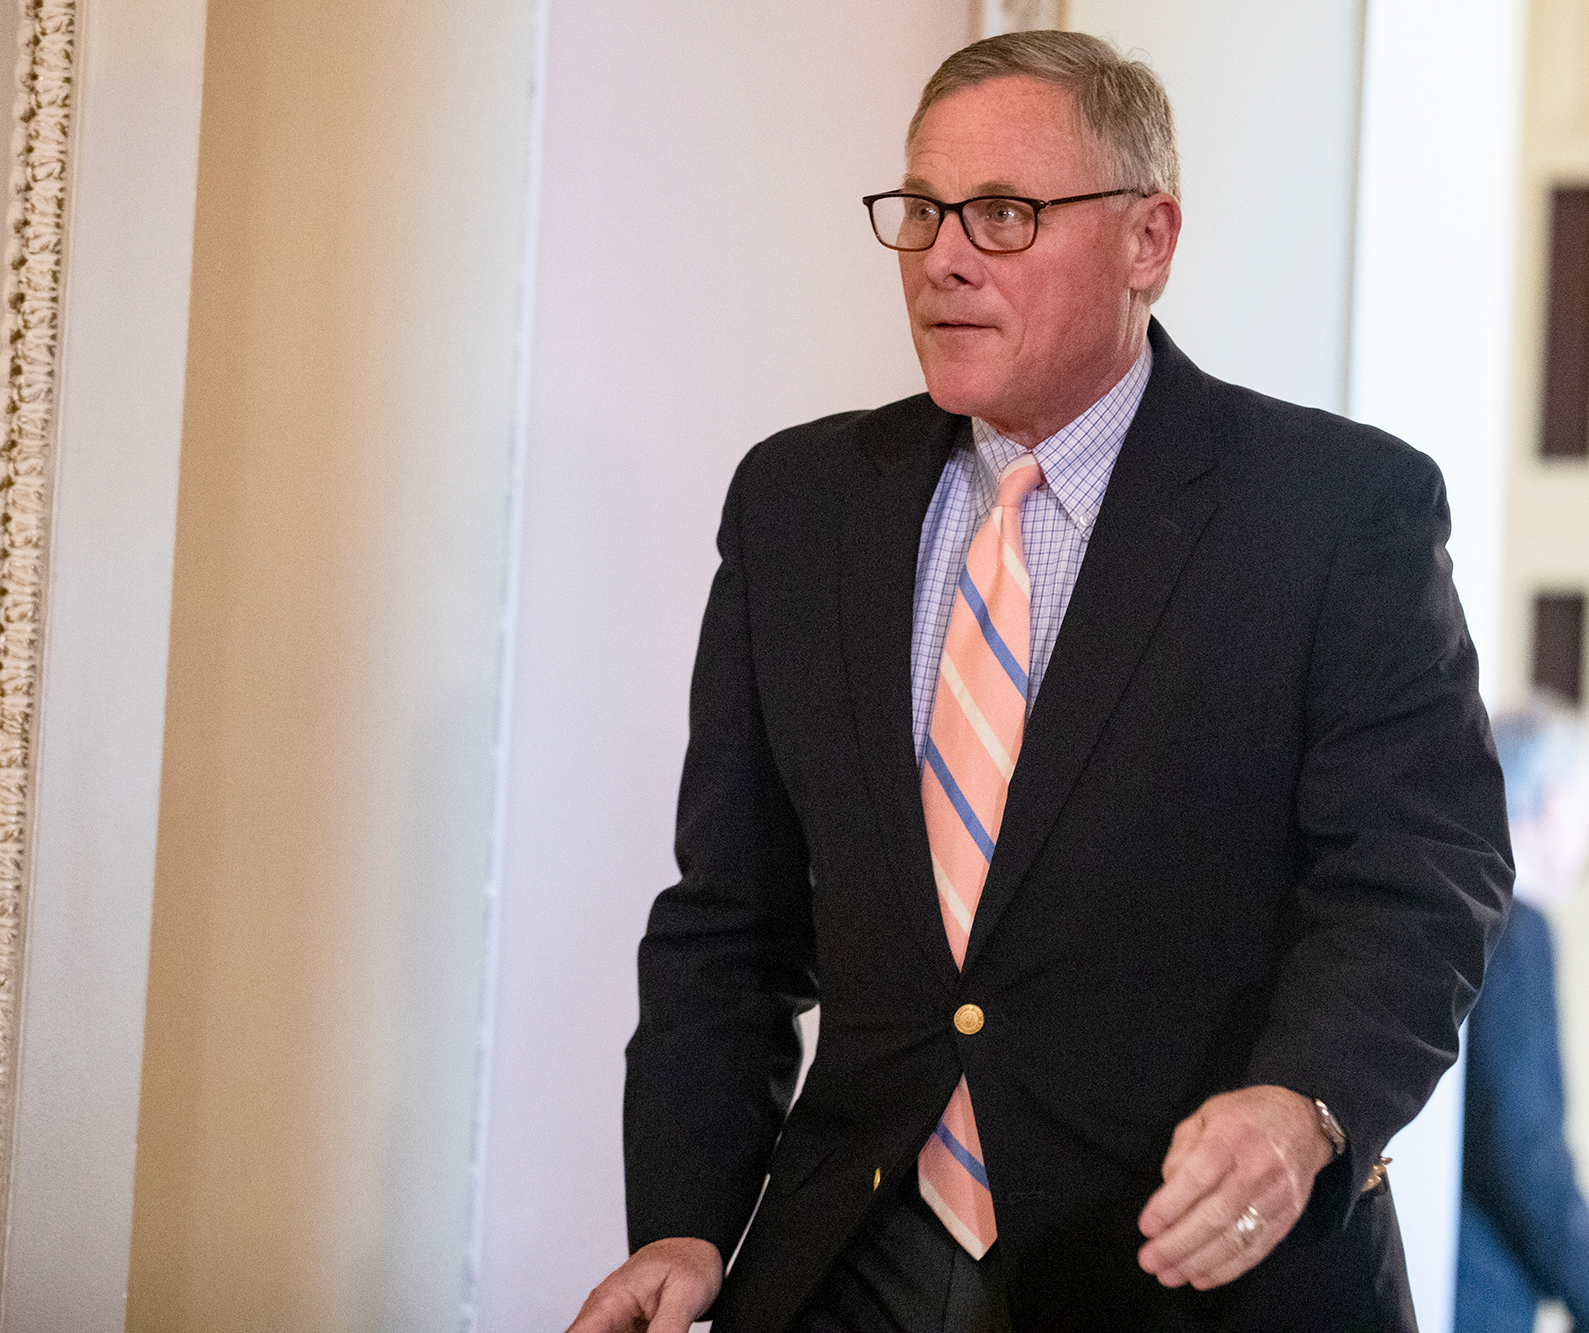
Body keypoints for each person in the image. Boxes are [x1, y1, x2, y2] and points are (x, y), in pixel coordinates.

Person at [569, 31, 1511, 1333]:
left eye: (1003, 214)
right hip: (855, 1260)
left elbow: (1418, 882)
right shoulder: (797, 506)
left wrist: (1308, 1102)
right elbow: (729, 919)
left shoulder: (1335, 511)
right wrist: (681, 1217)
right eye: (921, 211)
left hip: (1196, 1271)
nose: (944, 256)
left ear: (1149, 240)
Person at [1456, 697, 1589, 1333]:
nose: (1586, 844)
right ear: (1555, 805)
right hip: (1479, 1290)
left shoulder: (1463, 912)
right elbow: (1521, 1143)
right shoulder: (1517, 933)